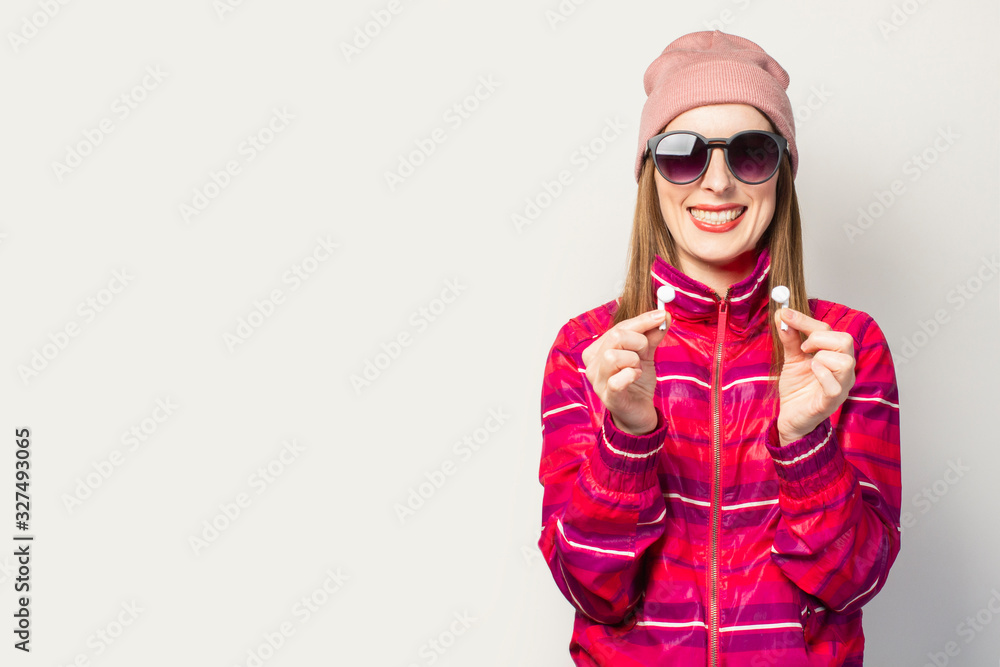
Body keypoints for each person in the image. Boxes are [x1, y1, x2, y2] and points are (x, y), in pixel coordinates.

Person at [536, 30, 901, 667]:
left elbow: (855, 583)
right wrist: (627, 435)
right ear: (651, 174)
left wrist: (805, 440)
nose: (718, 182)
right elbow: (592, 592)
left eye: (751, 153)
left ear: (781, 173)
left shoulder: (846, 349)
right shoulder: (587, 352)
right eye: (683, 153)